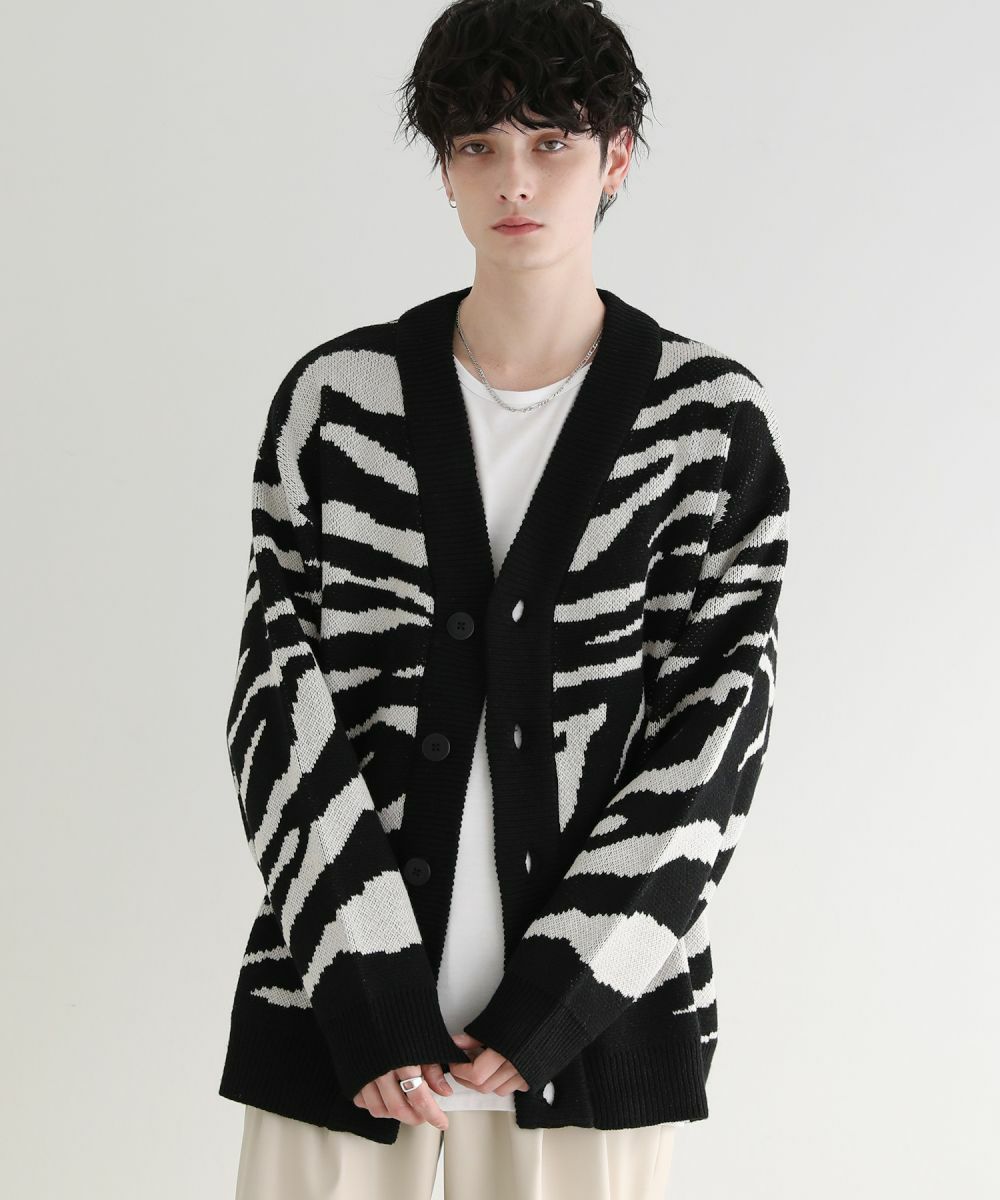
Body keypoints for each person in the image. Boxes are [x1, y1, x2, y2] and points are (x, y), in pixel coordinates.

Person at [221, 2, 790, 1197]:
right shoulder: (339, 401)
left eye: (552, 142)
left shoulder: (705, 424)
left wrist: (556, 1002)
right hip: (340, 1020)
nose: (513, 180)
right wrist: (367, 992)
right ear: (443, 167)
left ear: (615, 159)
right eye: (476, 145)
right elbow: (276, 694)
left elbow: (715, 734)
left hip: (592, 1030)